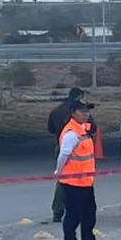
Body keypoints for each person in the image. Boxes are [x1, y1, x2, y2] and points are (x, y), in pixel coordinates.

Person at [52, 100, 102, 240]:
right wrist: (59, 173)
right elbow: (63, 155)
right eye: (81, 111)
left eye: (87, 111)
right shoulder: (71, 133)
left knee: (89, 216)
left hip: (86, 181)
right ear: (73, 113)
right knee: (73, 217)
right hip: (73, 182)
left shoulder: (83, 130)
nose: (85, 114)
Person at [47, 87, 86, 222]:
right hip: (79, 150)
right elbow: (91, 128)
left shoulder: (56, 111)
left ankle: (57, 211)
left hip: (60, 146)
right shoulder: (80, 113)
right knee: (81, 181)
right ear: (79, 97)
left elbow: (50, 129)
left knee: (62, 181)